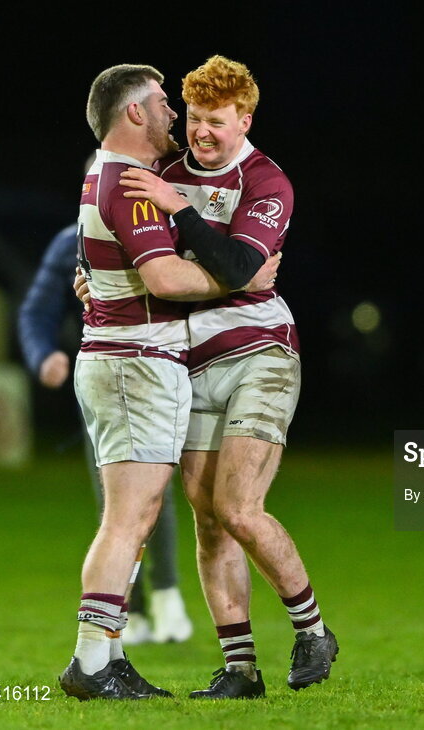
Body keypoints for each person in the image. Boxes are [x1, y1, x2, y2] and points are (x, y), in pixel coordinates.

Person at [117, 55, 337, 699]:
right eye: (193, 118)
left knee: (239, 507)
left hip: (261, 355)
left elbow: (242, 266)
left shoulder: (267, 181)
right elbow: (139, 247)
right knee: (208, 520)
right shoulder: (165, 173)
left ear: (245, 119)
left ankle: (312, 628)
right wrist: (93, 276)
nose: (201, 132)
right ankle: (240, 669)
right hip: (189, 362)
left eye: (216, 121)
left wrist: (182, 214)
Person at [59, 63, 278, 701]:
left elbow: (106, 270)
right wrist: (244, 280)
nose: (172, 115)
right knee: (128, 517)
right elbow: (165, 281)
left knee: (138, 514)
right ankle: (93, 663)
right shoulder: (129, 185)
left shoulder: (109, 177)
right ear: (133, 113)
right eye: (161, 103)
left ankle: (105, 655)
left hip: (126, 359)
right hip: (132, 362)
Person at [18, 219, 192, 647]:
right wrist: (43, 356)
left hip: (166, 368)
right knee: (118, 499)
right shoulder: (71, 240)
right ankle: (130, 609)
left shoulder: (167, 234)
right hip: (107, 371)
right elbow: (37, 308)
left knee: (160, 491)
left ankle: (165, 595)